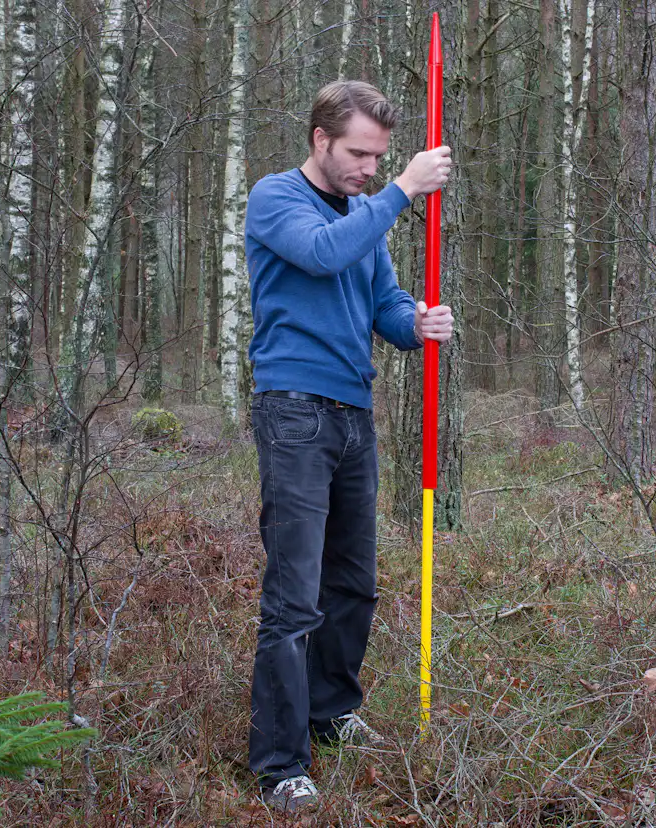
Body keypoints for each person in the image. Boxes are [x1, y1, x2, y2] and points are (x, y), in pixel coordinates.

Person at [245, 80, 453, 812]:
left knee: (352, 585)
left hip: (351, 413)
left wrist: (417, 322)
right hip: (293, 410)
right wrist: (402, 191)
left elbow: (381, 303)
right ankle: (278, 763)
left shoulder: (366, 215)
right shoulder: (276, 200)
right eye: (359, 153)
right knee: (294, 596)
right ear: (321, 140)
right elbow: (325, 256)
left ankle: (329, 714)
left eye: (380, 157)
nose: (369, 167)